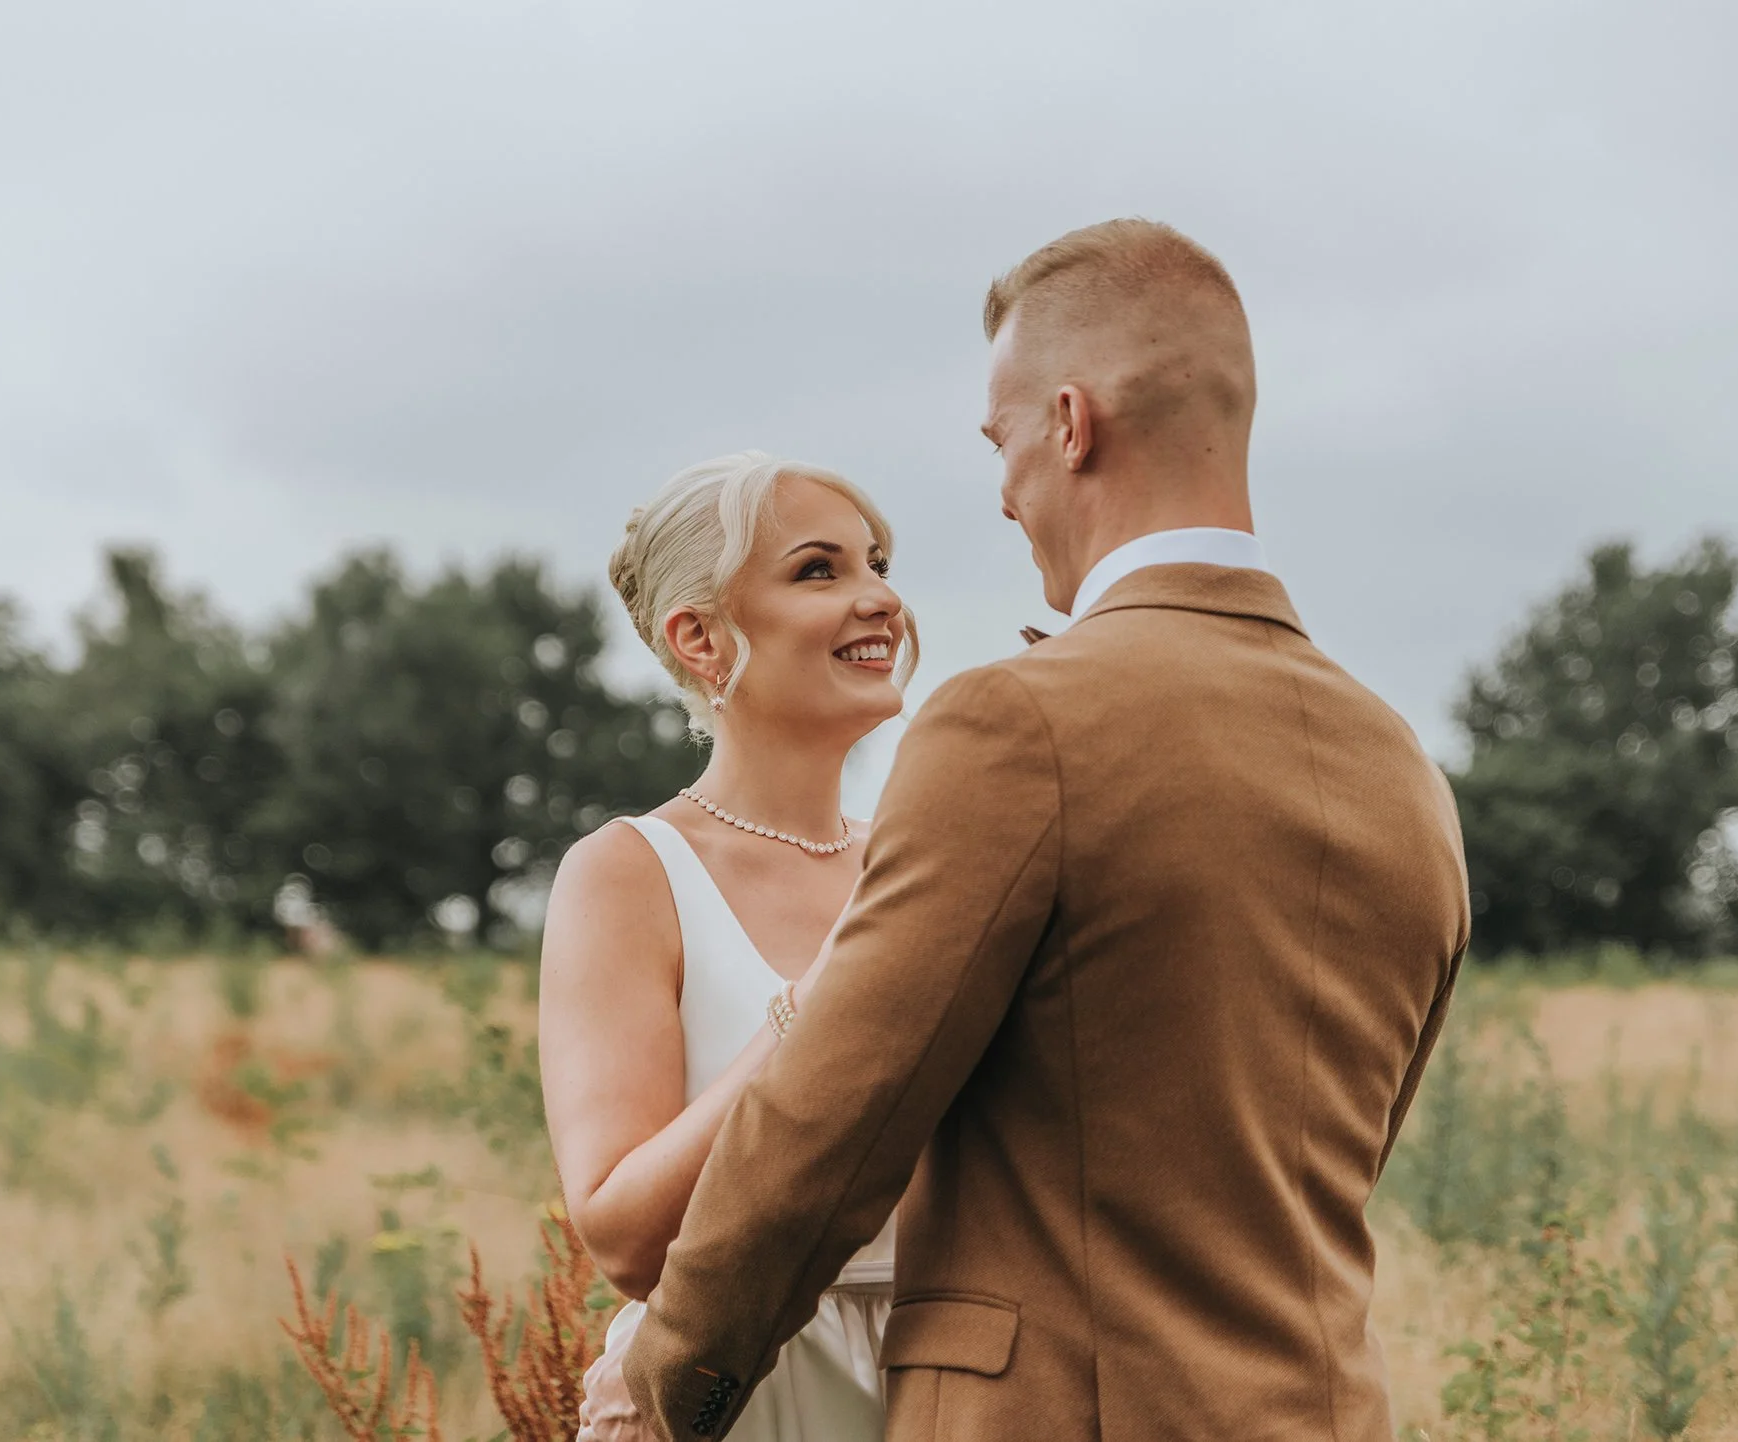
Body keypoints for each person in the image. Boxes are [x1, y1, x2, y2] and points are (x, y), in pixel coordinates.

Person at [580, 218, 1473, 1442]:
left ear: (1070, 422)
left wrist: (671, 1373)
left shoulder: (1017, 722)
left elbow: (834, 1121)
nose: (1002, 494)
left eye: (1000, 441)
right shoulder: (1400, 768)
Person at [540, 450, 921, 1442]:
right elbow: (625, 1234)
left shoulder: (925, 861)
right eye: (818, 569)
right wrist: (820, 998)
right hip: (742, 1381)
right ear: (701, 636)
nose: (880, 597)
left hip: (947, 1377)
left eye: (877, 563)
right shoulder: (627, 872)